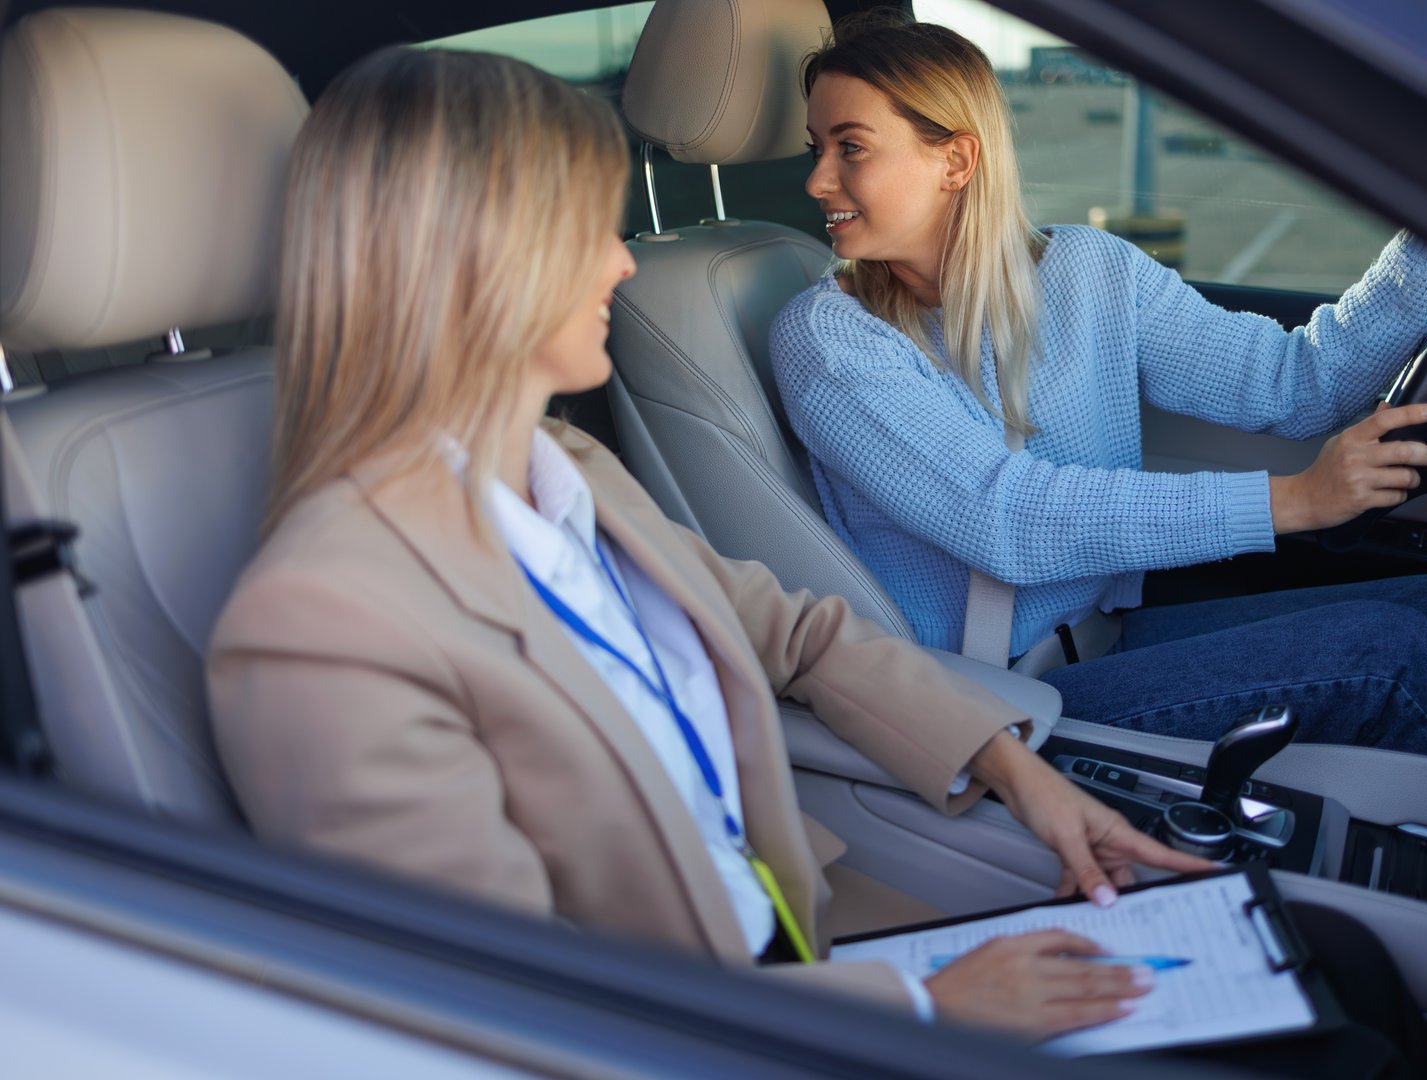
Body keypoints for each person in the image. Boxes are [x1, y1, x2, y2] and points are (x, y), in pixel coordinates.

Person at [206, 43, 1219, 1043]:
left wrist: (1018, 771)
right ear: (472, 256)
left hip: (792, 946)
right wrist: (923, 1007)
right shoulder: (323, 621)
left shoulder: (560, 469)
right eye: (587, 230)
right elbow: (505, 1006)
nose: (622, 259)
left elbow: (804, 636)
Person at [769, 15, 1427, 775]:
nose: (817, 179)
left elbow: (1296, 384)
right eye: (819, 148)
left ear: (956, 160)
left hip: (1107, 638)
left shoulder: (1089, 271)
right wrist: (1292, 501)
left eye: (850, 148)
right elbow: (1005, 518)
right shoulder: (828, 338)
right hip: (993, 697)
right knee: (1398, 658)